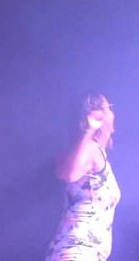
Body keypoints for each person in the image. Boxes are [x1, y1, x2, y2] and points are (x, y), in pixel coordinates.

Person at [46, 92, 120, 261]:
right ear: (97, 115)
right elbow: (68, 173)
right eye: (109, 108)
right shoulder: (90, 148)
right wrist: (89, 130)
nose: (113, 113)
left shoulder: (97, 153)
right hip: (76, 252)